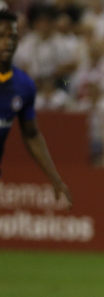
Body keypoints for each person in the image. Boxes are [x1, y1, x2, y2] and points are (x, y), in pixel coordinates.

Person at [0, 10, 72, 207]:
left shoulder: (24, 86)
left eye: (12, 36)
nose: (8, 42)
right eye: (1, 36)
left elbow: (31, 134)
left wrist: (55, 178)